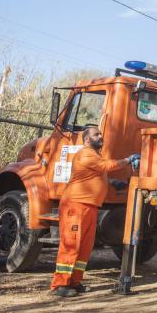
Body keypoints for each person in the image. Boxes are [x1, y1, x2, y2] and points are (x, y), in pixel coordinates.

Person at [50, 126, 140, 297]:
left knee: (84, 247)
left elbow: (95, 174)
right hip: (75, 206)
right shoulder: (86, 153)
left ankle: (74, 282)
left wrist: (112, 183)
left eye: (100, 134)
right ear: (86, 140)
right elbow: (106, 166)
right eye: (96, 134)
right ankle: (59, 284)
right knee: (71, 244)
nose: (101, 136)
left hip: (89, 207)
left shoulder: (95, 155)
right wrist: (128, 160)